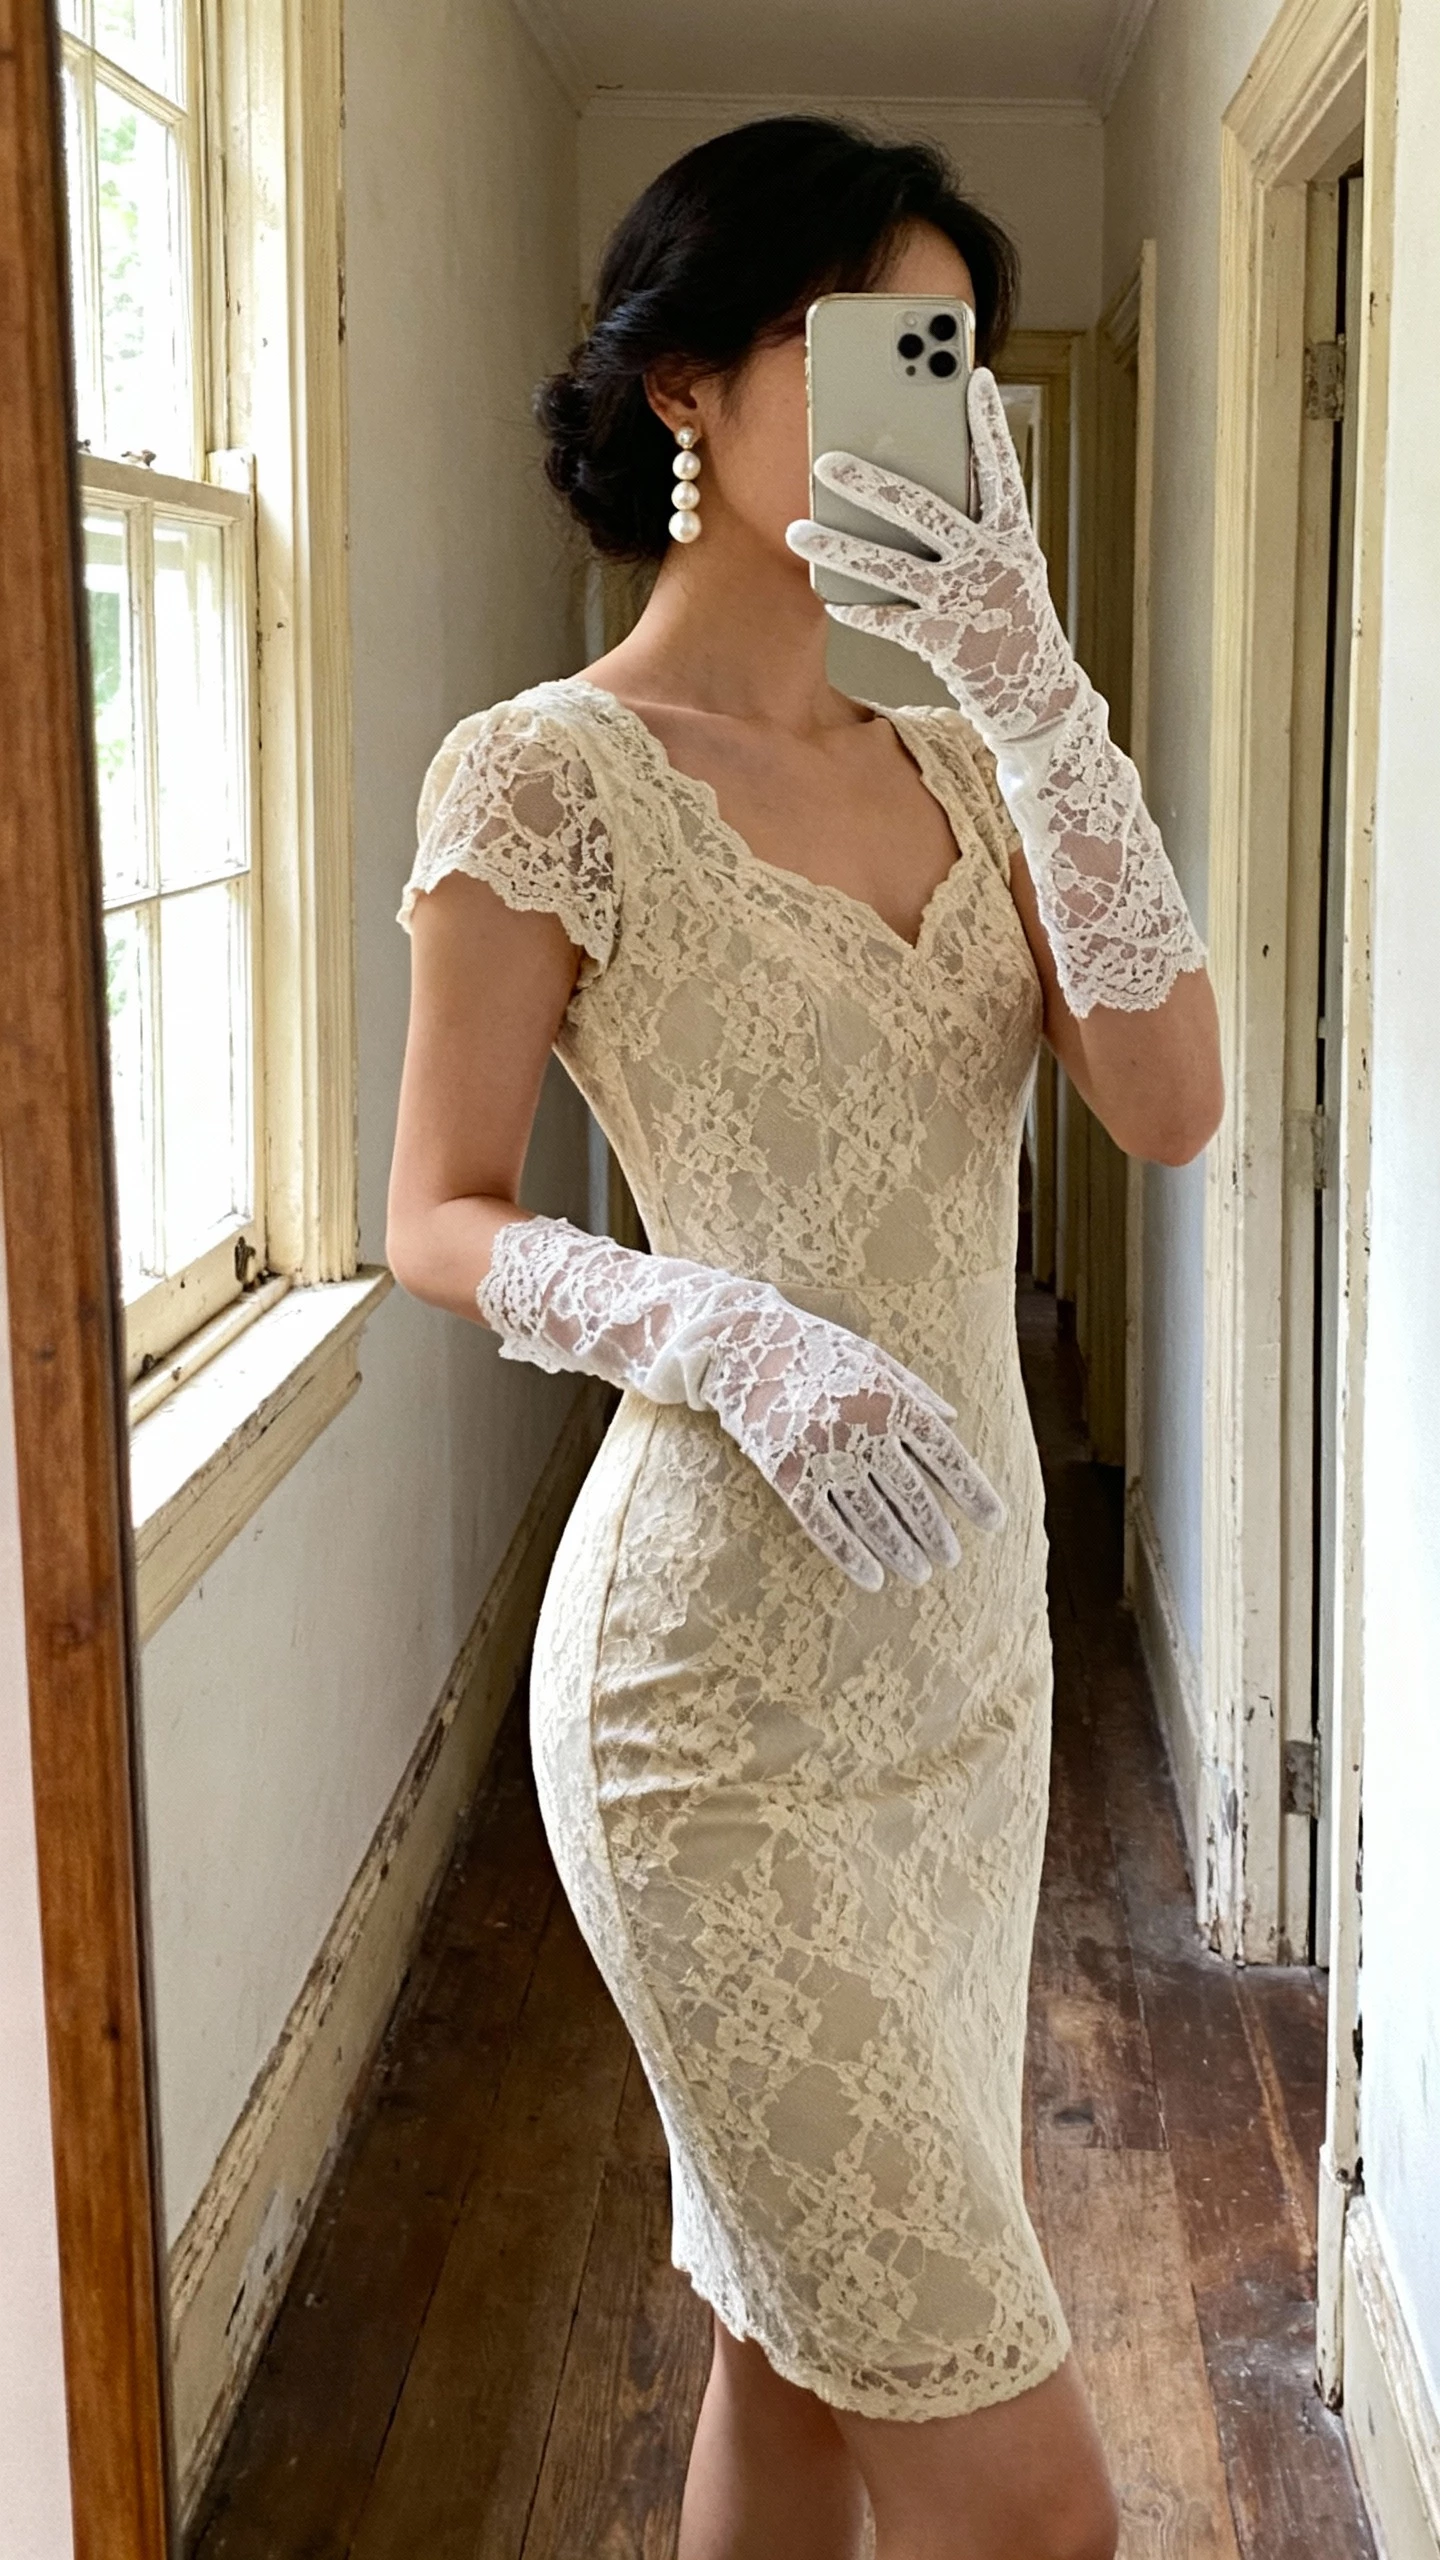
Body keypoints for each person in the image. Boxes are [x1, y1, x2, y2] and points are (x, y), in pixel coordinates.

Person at [387, 114, 1222, 2560]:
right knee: (1024, 2491)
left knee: (790, 2341)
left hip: (966, 1690)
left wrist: (1042, 687)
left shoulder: (982, 764)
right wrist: (707, 1320)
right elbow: (430, 1211)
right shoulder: (547, 776)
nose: (934, 411)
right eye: (869, 345)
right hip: (708, 1710)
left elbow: (1168, 1103)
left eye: (955, 355)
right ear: (686, 390)